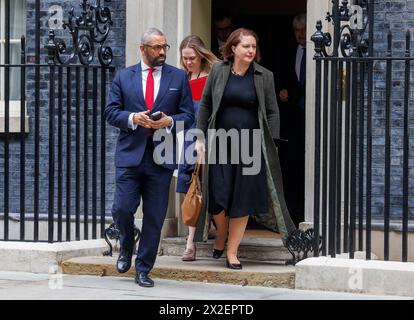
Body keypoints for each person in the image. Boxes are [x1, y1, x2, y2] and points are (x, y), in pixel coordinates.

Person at [194, 28, 296, 270]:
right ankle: (220, 235)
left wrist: (272, 143)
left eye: (253, 46)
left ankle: (232, 251)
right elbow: (206, 104)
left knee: (242, 200)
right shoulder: (218, 71)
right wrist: (199, 139)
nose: (251, 50)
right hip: (220, 141)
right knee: (218, 197)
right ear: (233, 49)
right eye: (246, 46)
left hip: (250, 146)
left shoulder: (264, 76)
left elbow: (272, 112)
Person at [104, 28, 194, 287]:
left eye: (165, 46)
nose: (163, 52)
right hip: (130, 156)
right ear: (142, 49)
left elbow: (188, 116)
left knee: (155, 217)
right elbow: (111, 112)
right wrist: (133, 118)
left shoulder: (178, 77)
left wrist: (169, 121)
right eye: (156, 47)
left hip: (161, 158)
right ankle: (126, 244)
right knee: (122, 208)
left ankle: (143, 269)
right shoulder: (124, 77)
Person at [177, 35, 218, 262]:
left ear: (201, 56)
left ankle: (197, 237)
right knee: (189, 184)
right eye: (184, 59)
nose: (188, 62)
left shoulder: (212, 76)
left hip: (209, 137)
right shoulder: (182, 77)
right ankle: (193, 239)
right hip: (187, 138)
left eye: (191, 58)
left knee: (208, 182)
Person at [276, 13, 307, 228]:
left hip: (313, 118)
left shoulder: (321, 50)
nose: (301, 34)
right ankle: (291, 217)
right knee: (290, 169)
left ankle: (309, 214)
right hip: (291, 121)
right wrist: (281, 92)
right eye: (297, 30)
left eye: (303, 30)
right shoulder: (287, 52)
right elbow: (279, 78)